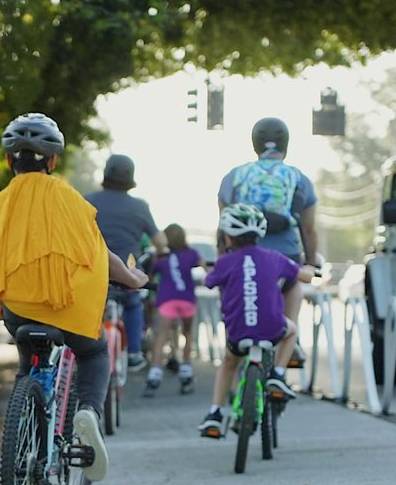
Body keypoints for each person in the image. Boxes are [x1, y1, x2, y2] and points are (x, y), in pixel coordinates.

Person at [0, 113, 148, 481]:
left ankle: (23, 432)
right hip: (70, 310)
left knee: (26, 362)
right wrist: (132, 278)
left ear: (7, 160)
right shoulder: (70, 200)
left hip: (18, 310)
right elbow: (98, 254)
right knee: (94, 353)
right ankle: (89, 413)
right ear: (52, 161)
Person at [199, 204, 315, 439]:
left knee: (229, 363)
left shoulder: (224, 263)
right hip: (272, 328)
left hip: (238, 332)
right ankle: (278, 375)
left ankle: (215, 414)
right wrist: (312, 267)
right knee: (291, 331)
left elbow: (208, 282)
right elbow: (305, 276)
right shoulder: (274, 257)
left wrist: (207, 270)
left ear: (228, 236)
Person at [216, 117, 320, 368]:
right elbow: (308, 228)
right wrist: (311, 262)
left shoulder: (235, 176)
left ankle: (235, 336)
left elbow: (223, 224)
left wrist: (221, 258)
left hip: (241, 254)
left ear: (255, 144)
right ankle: (291, 335)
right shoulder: (299, 178)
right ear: (286, 144)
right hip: (286, 252)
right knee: (292, 282)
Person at [85, 154, 167, 371]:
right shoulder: (140, 207)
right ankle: (134, 352)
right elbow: (160, 242)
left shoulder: (87, 200)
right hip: (128, 273)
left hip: (93, 272)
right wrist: (162, 252)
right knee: (132, 303)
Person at [143, 224, 200, 398]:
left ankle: (154, 374)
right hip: (187, 299)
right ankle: (186, 371)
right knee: (188, 334)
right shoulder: (191, 254)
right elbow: (204, 268)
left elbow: (150, 277)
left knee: (161, 336)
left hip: (166, 299)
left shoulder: (161, 257)